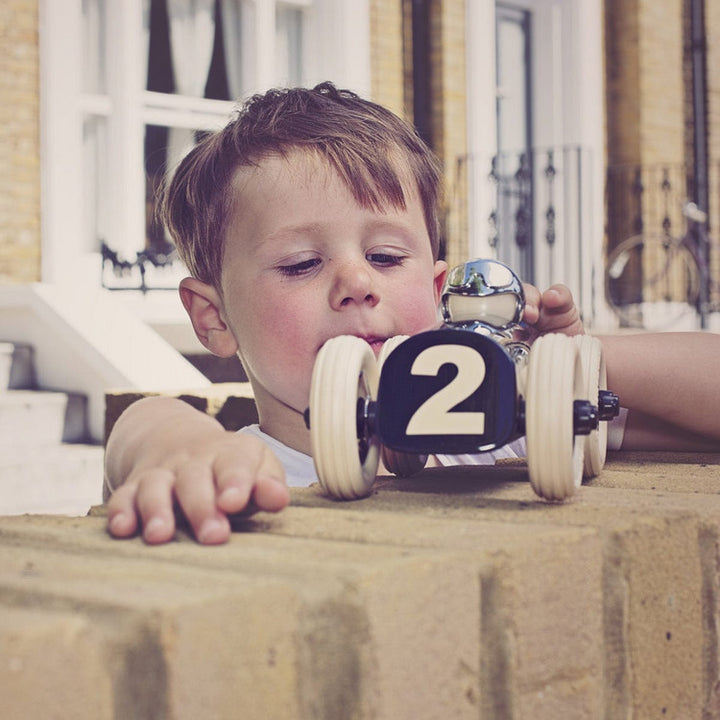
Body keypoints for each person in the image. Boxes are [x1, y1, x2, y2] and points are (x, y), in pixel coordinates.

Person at [105, 82, 720, 546]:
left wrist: (567, 364)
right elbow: (144, 427)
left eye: (386, 256)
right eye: (300, 263)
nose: (357, 283)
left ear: (437, 291)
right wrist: (180, 448)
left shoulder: (499, 435)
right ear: (213, 318)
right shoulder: (246, 471)